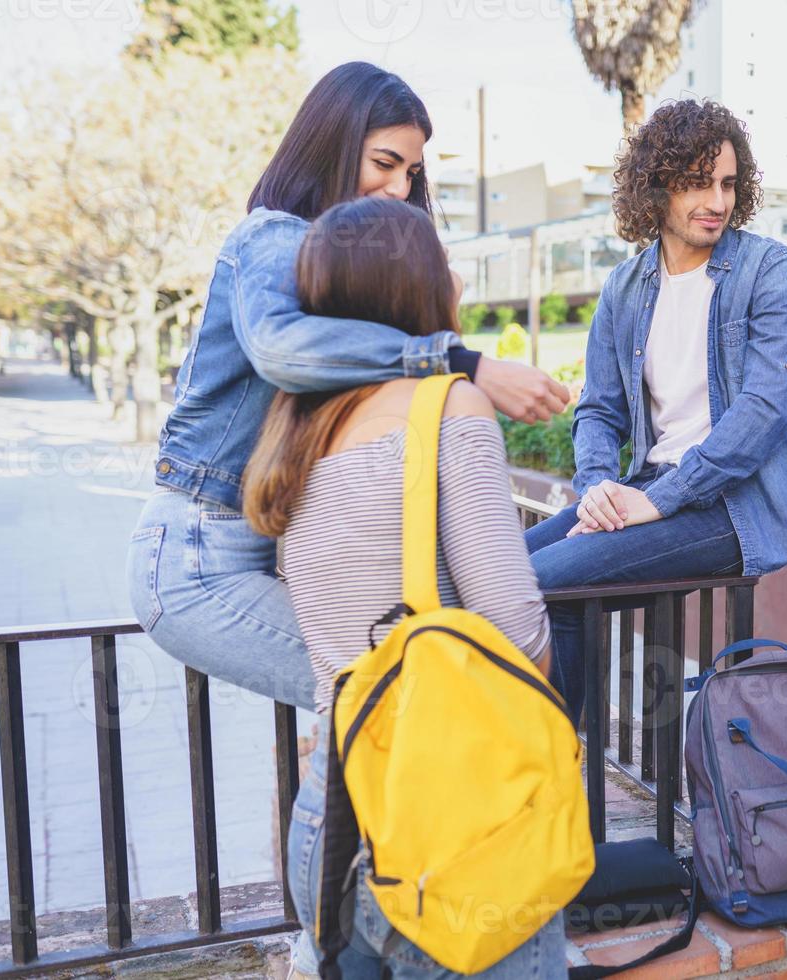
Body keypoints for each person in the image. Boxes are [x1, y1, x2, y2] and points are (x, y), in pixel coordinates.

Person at [125, 62, 569, 711]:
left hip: (243, 548)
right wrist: (461, 362)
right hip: (198, 558)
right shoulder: (276, 234)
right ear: (331, 145)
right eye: (384, 162)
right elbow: (283, 348)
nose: (398, 186)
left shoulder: (329, 261)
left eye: (411, 173)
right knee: (401, 702)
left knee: (375, 719)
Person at [241, 196, 563, 979]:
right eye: (442, 257)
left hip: (332, 815)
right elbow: (516, 629)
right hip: (449, 821)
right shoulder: (448, 404)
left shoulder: (296, 428)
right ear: (411, 289)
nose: (454, 272)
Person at [524, 99, 787, 723]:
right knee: (510, 571)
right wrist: (598, 485)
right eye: (697, 181)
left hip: (735, 507)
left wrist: (660, 498)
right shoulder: (625, 288)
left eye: (728, 183)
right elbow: (598, 409)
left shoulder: (768, 272)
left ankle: (558, 765)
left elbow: (763, 412)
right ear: (657, 187)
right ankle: (561, 769)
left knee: (543, 582)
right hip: (651, 492)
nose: (717, 200)